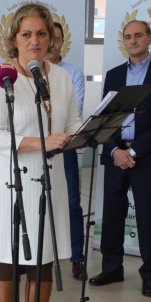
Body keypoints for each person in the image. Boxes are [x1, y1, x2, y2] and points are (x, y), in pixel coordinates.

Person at [0, 4, 82, 302]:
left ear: (51, 38)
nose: (35, 41)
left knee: (42, 263)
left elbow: (72, 124)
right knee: (8, 262)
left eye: (42, 34)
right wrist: (44, 142)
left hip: (50, 179)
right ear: (13, 39)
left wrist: (77, 136)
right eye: (27, 34)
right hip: (9, 182)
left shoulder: (62, 78)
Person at [88, 20, 151, 298]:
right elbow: (107, 117)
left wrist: (135, 151)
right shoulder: (114, 74)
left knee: (147, 218)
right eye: (128, 36)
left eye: (139, 35)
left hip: (147, 157)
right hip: (116, 154)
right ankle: (112, 268)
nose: (133, 40)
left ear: (150, 38)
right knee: (113, 215)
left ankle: (149, 275)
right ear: (123, 41)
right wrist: (116, 150)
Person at [45, 21, 87, 281]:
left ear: (62, 42)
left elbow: (76, 109)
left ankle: (77, 259)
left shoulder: (73, 73)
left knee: (72, 203)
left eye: (58, 39)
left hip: (65, 147)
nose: (52, 43)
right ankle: (42, 255)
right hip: (35, 148)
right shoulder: (28, 71)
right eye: (50, 38)